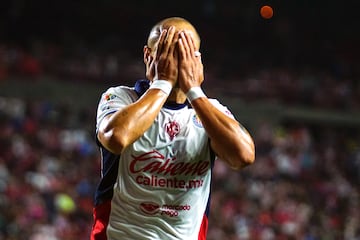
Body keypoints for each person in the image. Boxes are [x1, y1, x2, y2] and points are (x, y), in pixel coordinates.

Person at [90, 16, 255, 240]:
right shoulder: (121, 98)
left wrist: (195, 91)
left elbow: (243, 156)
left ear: (197, 61)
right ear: (148, 56)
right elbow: (115, 137)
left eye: (183, 53)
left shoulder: (209, 111)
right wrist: (162, 83)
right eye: (166, 50)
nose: (174, 61)